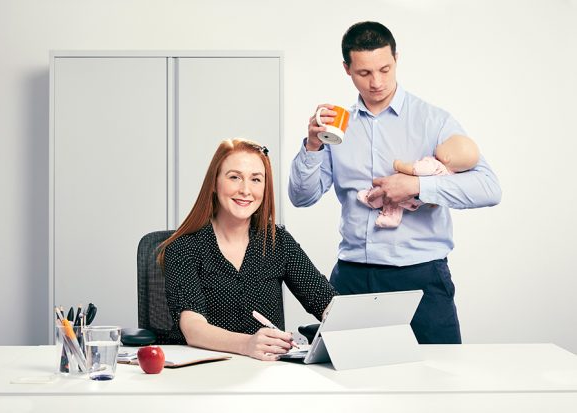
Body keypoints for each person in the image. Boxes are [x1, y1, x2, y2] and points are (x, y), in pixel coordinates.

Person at [288, 21, 502, 344]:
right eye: (364, 73)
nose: (376, 82)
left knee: (436, 384)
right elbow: (301, 197)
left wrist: (417, 186)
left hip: (421, 280)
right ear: (347, 69)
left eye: (385, 69)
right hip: (352, 279)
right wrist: (313, 146)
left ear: (397, 59)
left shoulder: (433, 121)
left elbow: (488, 187)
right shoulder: (338, 128)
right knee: (349, 387)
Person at [159, 138, 337, 361]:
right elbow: (192, 326)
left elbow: (326, 302)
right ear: (214, 184)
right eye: (234, 177)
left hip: (266, 375)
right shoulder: (184, 247)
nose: (245, 190)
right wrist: (247, 344)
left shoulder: (276, 241)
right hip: (206, 373)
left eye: (256, 179)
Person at [358, 135, 480, 228]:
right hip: (417, 201)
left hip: (404, 189)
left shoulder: (434, 165)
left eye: (443, 144)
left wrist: (399, 165)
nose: (439, 145)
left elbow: (415, 170)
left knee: (387, 191)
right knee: (398, 206)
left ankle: (371, 199)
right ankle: (391, 219)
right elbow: (439, 194)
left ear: (447, 157)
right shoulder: (448, 177)